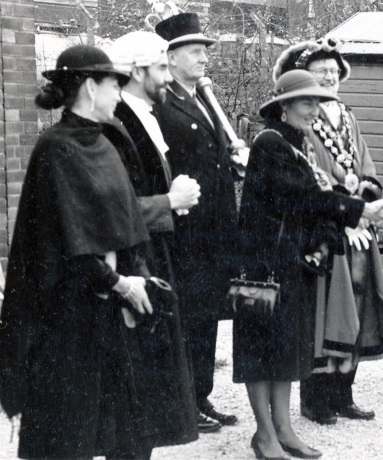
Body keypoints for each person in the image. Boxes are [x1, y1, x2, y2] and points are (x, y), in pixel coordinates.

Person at [0, 45, 161, 459]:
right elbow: (67, 244)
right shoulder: (56, 149)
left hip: (112, 313)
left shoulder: (104, 145)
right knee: (69, 435)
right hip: (70, 316)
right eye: (113, 86)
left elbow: (123, 225)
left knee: (127, 432)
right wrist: (120, 282)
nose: (118, 95)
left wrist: (134, 274)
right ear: (90, 86)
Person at [235, 69, 383, 460]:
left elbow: (315, 196)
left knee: (287, 349)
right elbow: (305, 197)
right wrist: (362, 209)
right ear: (284, 106)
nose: (314, 110)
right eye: (307, 102)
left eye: (318, 103)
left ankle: (284, 429)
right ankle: (263, 434)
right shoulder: (270, 144)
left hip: (288, 264)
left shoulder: (296, 144)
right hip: (262, 267)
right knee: (261, 353)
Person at [272, 38, 383, 425]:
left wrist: (364, 207)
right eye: (322, 72)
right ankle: (316, 398)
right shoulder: (304, 121)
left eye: (335, 72)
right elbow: (313, 180)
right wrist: (345, 217)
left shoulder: (349, 117)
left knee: (360, 307)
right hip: (329, 228)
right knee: (326, 312)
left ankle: (344, 393)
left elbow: (367, 167)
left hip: (357, 226)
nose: (330, 78)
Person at [103, 31, 203, 447]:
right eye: (162, 68)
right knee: (135, 390)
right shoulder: (118, 123)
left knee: (150, 389)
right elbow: (112, 208)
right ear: (138, 71)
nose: (168, 77)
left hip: (155, 254)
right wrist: (169, 200)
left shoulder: (142, 114)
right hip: (132, 265)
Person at [152, 12, 240, 431]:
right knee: (188, 318)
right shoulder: (161, 102)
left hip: (216, 228)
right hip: (188, 230)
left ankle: (200, 395)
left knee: (206, 316)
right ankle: (184, 402)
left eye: (205, 50)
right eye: (195, 50)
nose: (204, 58)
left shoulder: (203, 96)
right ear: (169, 57)